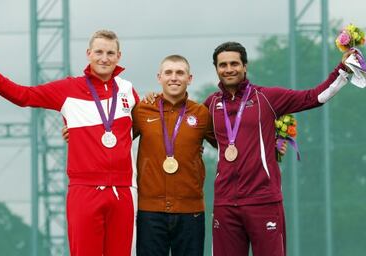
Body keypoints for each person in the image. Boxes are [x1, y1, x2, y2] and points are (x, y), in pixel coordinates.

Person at [0, 30, 139, 256]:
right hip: (84, 190)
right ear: (88, 54)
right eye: (98, 52)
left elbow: (141, 128)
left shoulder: (128, 90)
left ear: (119, 56)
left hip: (123, 191)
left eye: (110, 53)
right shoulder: (68, 89)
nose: (104, 58)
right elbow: (23, 95)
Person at [204, 41, 353, 256]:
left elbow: (314, 97)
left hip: (263, 200)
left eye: (234, 63)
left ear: (245, 66)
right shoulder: (211, 103)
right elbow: (193, 128)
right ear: (216, 69)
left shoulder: (266, 98)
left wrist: (343, 70)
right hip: (225, 203)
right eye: (223, 65)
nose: (229, 69)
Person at [132, 55, 216, 256]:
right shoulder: (142, 110)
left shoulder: (202, 113)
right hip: (150, 211)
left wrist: (272, 141)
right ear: (159, 77)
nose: (174, 77)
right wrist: (74, 134)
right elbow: (114, 139)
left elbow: (231, 142)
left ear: (190, 78)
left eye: (180, 72)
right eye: (168, 72)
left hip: (190, 211)